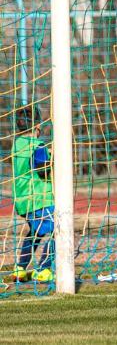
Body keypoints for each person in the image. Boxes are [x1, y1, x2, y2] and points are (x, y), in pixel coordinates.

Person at [10, 106, 55, 283]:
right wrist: (53, 158)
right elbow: (42, 169)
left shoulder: (16, 144)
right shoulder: (38, 145)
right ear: (38, 126)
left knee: (35, 233)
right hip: (40, 198)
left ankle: (20, 268)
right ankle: (44, 269)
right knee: (59, 229)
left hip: (22, 200)